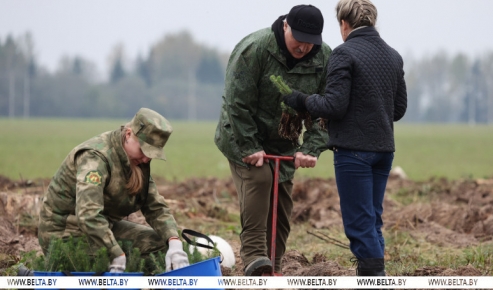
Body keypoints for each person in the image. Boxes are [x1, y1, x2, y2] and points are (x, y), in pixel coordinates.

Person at [273, 0, 407, 276]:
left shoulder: (344, 54)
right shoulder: (393, 56)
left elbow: (334, 106)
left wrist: (302, 100)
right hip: (384, 151)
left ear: (344, 25)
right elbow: (399, 109)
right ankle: (373, 275)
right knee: (372, 220)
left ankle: (374, 279)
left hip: (354, 152)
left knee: (359, 224)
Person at [214, 4, 331, 276]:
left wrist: (311, 148)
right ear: (286, 26)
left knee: (282, 199)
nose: (303, 48)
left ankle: (273, 266)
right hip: (242, 132)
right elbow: (237, 103)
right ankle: (255, 258)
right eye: (298, 40)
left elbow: (326, 109)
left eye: (310, 43)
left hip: (283, 139)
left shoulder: (324, 58)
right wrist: (250, 146)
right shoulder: (255, 48)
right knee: (260, 179)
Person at [38, 108, 189, 273]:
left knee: (161, 246)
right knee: (114, 263)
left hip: (104, 229)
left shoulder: (136, 161)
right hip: (66, 235)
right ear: (129, 134)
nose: (146, 158)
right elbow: (88, 215)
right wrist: (116, 253)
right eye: (144, 150)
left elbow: (155, 206)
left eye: (152, 154)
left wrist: (174, 243)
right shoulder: (95, 158)